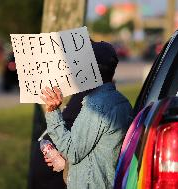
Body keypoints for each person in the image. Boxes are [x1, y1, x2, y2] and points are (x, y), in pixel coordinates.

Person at [40, 41, 133, 188]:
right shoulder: (122, 102)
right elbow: (98, 153)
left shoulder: (95, 106)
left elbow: (72, 151)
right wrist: (66, 164)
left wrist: (52, 111)